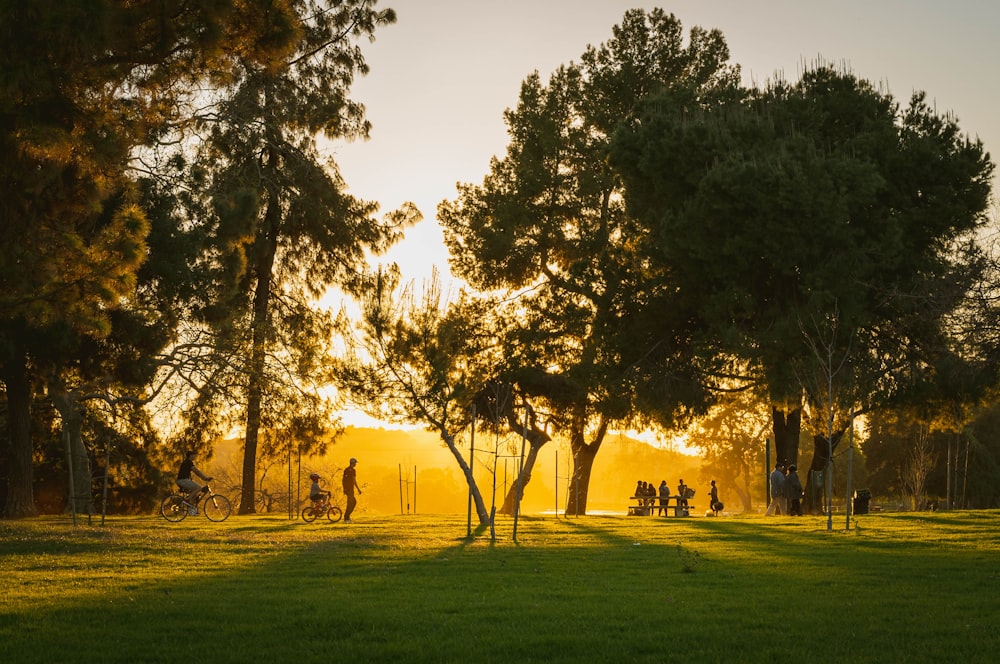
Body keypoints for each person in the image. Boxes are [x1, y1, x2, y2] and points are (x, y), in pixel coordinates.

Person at [176, 450, 212, 516]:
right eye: (194, 455)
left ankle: (192, 511)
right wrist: (205, 478)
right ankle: (187, 500)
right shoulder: (188, 462)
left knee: (194, 494)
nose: (195, 456)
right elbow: (196, 471)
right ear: (190, 456)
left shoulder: (187, 462)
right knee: (198, 488)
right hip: (182, 480)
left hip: (183, 480)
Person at [342, 457, 362, 523]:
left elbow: (343, 480)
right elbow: (354, 481)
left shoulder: (346, 470)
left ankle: (347, 517)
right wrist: (358, 489)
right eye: (355, 463)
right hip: (350, 489)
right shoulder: (353, 471)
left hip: (347, 489)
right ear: (353, 463)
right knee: (353, 502)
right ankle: (346, 517)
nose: (356, 464)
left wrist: (344, 489)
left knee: (350, 503)